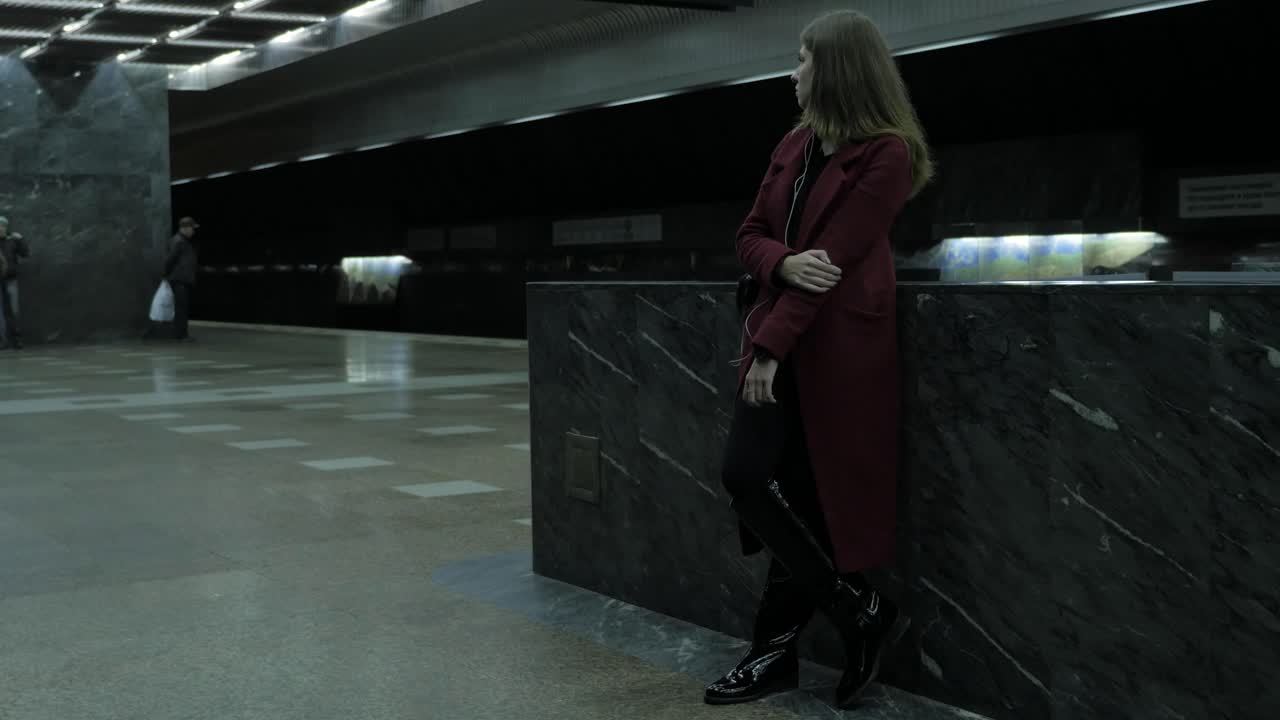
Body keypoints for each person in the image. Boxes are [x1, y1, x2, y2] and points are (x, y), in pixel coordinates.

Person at [706, 10, 932, 709]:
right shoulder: (794, 142)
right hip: (784, 330)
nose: (793, 70)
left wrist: (770, 349)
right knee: (751, 478)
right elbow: (750, 236)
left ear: (835, 68)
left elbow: (828, 272)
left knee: (793, 496)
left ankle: (772, 654)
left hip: (837, 355)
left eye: (803, 58)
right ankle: (859, 609)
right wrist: (780, 262)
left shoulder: (886, 155)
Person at [164, 216, 200, 341]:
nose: (193, 231)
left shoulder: (182, 241)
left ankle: (180, 334)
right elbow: (170, 260)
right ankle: (181, 335)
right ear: (185, 228)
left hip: (181, 279)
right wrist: (167, 275)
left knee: (182, 307)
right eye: (192, 228)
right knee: (181, 308)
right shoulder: (179, 241)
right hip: (179, 280)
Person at [0, 216, 31, 350]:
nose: (0, 228)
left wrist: (21, 239)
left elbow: (25, 253)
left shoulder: (12, 240)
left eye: (3, 225)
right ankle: (2, 341)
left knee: (12, 310)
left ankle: (16, 340)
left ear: (6, 227)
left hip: (10, 279)